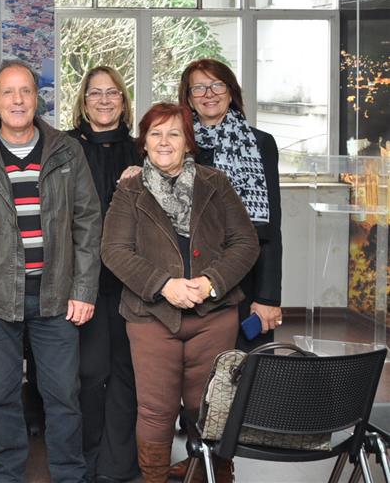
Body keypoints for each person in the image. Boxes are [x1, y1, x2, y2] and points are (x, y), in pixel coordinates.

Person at [0, 59, 102, 483]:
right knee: (0, 397)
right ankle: (8, 475)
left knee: (63, 397)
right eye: (8, 93)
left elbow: (88, 222)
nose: (17, 100)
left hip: (57, 296)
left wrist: (85, 289)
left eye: (26, 91)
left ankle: (70, 475)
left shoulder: (68, 151)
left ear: (37, 98)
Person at [101, 103, 259, 483]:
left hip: (214, 315)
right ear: (144, 143)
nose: (164, 141)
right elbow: (114, 251)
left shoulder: (215, 183)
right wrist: (164, 285)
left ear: (188, 142)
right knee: (155, 410)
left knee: (211, 409)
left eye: (174, 133)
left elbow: (246, 243)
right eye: (155, 133)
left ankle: (214, 475)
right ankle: (154, 477)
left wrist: (210, 282)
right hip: (151, 316)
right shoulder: (130, 190)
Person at [65, 67, 140, 483]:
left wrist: (140, 183)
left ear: (123, 101)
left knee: (127, 373)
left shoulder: (142, 151)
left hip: (131, 283)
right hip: (83, 281)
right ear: (84, 101)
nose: (105, 100)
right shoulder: (64, 148)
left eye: (113, 93)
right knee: (89, 375)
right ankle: (89, 457)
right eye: (96, 93)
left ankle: (118, 463)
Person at [178, 59, 282, 351]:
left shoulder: (261, 143)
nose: (208, 93)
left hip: (246, 276)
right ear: (188, 98)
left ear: (231, 91)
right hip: (192, 277)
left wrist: (268, 297)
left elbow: (271, 228)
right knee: (201, 375)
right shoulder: (176, 144)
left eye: (217, 85)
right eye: (198, 87)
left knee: (246, 373)